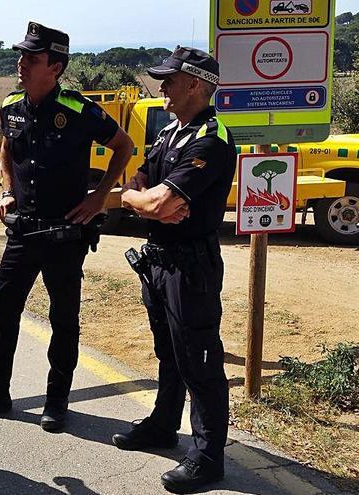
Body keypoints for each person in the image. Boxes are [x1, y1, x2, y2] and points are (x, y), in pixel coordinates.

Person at [0, 22, 134, 433]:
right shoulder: (12, 105)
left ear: (55, 66)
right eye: (21, 56)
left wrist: (99, 195)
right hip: (22, 232)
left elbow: (124, 146)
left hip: (63, 235)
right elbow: (6, 146)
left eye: (31, 58)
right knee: (3, 310)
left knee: (63, 320)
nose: (21, 64)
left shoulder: (78, 109)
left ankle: (57, 400)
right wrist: (5, 188)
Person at [117, 46, 237, 493]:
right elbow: (137, 185)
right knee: (168, 352)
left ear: (195, 85)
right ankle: (163, 425)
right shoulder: (171, 133)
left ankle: (208, 458)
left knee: (200, 361)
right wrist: (142, 202)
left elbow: (158, 200)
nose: (162, 87)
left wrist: (149, 204)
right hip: (160, 261)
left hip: (192, 266)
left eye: (169, 80)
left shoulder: (211, 140)